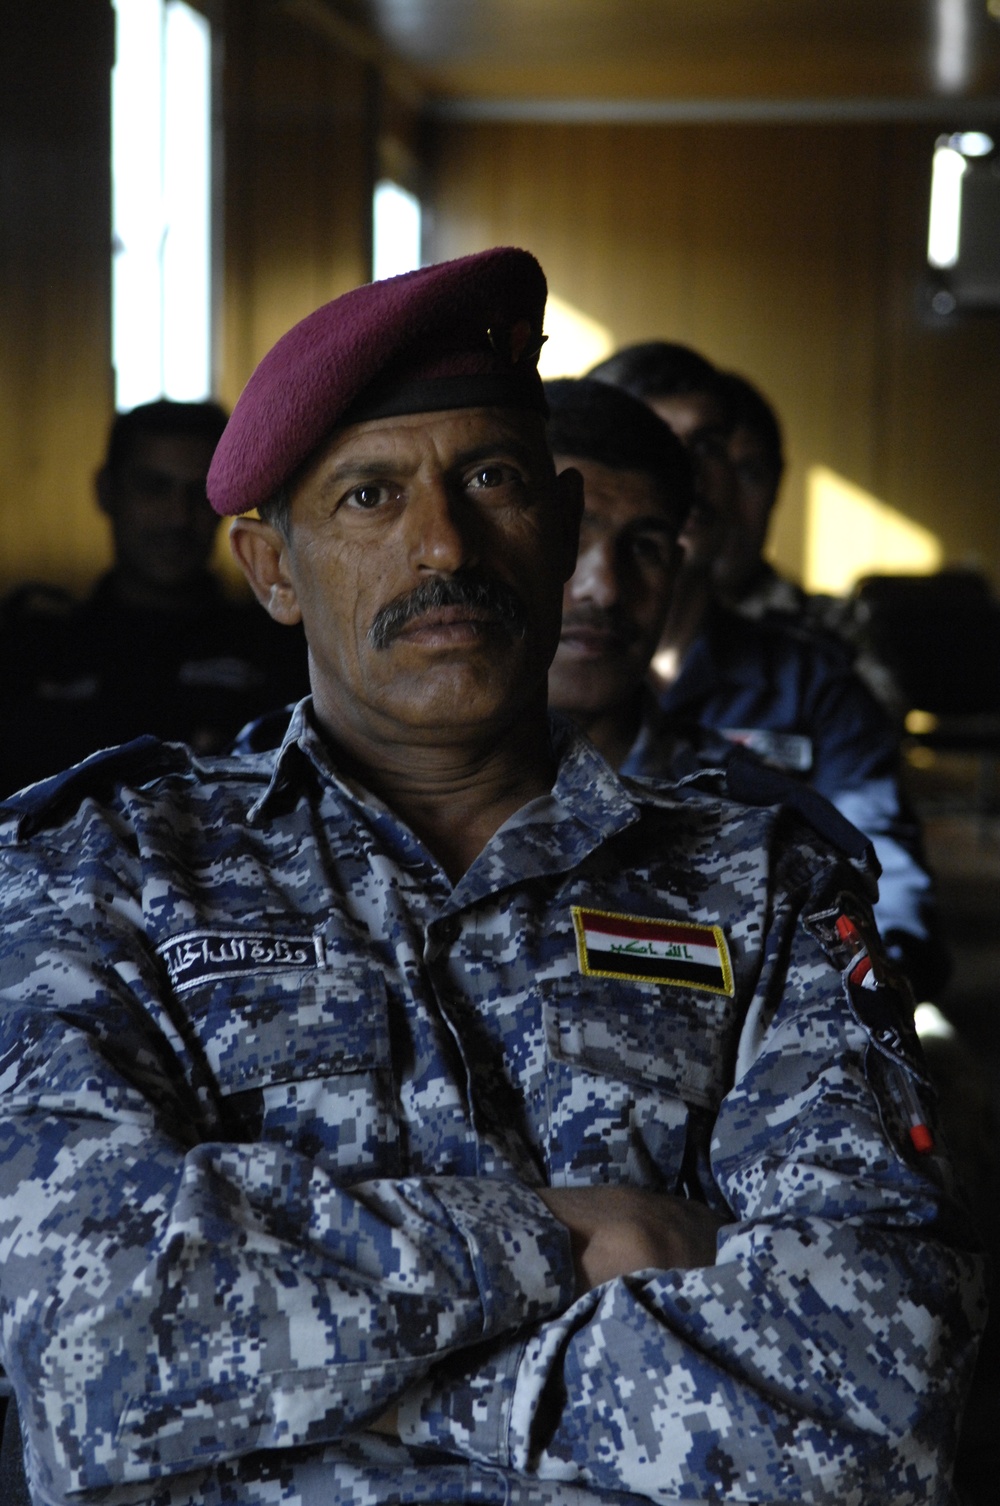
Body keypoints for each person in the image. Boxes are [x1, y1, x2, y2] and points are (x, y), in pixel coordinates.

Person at [0, 250, 984, 1506]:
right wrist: (572, 1239)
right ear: (270, 571)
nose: (442, 546)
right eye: (368, 497)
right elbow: (93, 1343)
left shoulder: (760, 885)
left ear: (559, 525)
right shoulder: (103, 874)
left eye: (491, 479)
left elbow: (879, 1393)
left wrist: (316, 1390)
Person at [588, 351, 948, 997]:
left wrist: (870, 988)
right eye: (654, 441)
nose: (688, 473)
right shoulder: (522, 683)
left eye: (708, 446)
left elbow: (885, 877)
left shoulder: (814, 680)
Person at [0, 399, 310, 796]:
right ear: (107, 491)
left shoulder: (277, 651)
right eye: (154, 487)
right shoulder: (31, 651)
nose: (178, 516)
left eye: (199, 493)